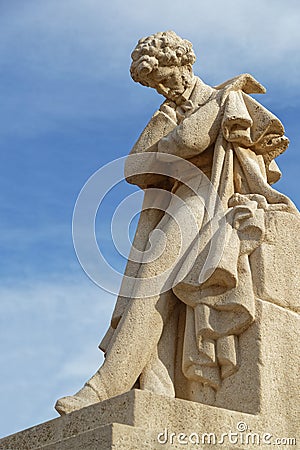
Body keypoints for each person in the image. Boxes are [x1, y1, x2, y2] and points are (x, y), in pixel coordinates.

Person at [55, 31, 296, 415]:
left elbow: (194, 141)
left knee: (150, 281)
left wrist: (206, 110)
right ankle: (148, 384)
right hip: (171, 204)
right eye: (155, 85)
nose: (164, 88)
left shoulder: (228, 98)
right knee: (146, 289)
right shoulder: (170, 111)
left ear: (185, 63)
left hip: (209, 197)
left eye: (167, 77)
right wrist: (174, 131)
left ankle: (102, 387)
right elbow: (136, 168)